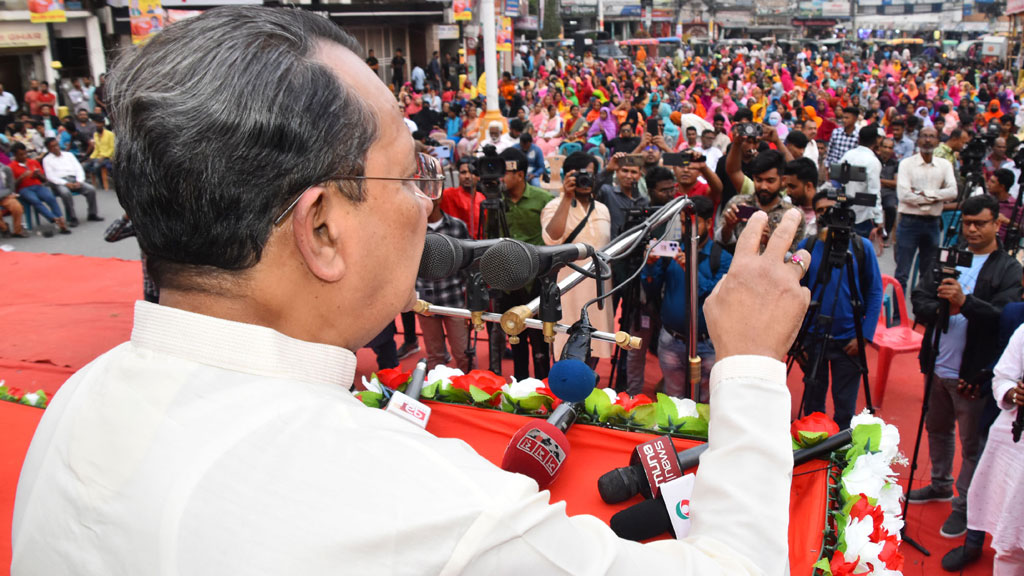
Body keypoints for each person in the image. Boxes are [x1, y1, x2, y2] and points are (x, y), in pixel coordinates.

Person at [13, 10, 810, 574]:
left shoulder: (80, 403)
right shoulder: (401, 500)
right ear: (321, 228)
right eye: (411, 172)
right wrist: (747, 364)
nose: (430, 202)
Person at [909, 194, 1023, 539]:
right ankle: (940, 483)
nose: (972, 230)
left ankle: (965, 507)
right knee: (937, 430)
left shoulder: (1008, 268)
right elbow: (919, 299)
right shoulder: (948, 256)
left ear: (996, 224)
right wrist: (945, 308)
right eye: (968, 223)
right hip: (936, 364)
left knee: (972, 445)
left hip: (972, 373)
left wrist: (964, 302)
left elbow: (1004, 321)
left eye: (980, 223)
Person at [796, 188, 883, 430]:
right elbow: (793, 290)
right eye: (821, 211)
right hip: (812, 338)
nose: (828, 216)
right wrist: (796, 340)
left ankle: (840, 455)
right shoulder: (808, 246)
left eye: (832, 210)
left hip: (849, 341)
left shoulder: (861, 247)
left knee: (845, 408)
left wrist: (863, 335)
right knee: (812, 406)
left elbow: (875, 293)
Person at [943, 322, 1024, 573]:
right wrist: (1013, 393)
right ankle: (975, 544)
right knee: (1010, 542)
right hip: (1015, 445)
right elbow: (1003, 377)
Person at [642, 195, 731, 402]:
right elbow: (651, 287)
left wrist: (690, 269)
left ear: (709, 223)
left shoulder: (723, 258)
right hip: (672, 338)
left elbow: (714, 295)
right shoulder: (673, 250)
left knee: (708, 399)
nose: (686, 228)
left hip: (707, 342)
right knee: (674, 397)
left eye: (692, 223)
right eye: (683, 223)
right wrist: (651, 264)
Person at [540, 152, 614, 362]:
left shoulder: (603, 209)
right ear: (568, 177)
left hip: (598, 294)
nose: (585, 180)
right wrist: (566, 197)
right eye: (580, 175)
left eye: (590, 175)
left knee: (596, 348)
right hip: (567, 293)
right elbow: (551, 240)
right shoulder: (553, 206)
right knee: (566, 353)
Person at [487, 147, 552, 380]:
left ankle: (545, 388)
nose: (500, 178)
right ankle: (520, 386)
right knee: (515, 338)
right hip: (506, 281)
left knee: (540, 343)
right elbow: (487, 238)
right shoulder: (494, 202)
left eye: (505, 173)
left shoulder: (543, 199)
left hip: (535, 281)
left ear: (521, 174)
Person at [894, 127, 958, 290]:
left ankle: (921, 313)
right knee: (902, 274)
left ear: (937, 141)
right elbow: (904, 195)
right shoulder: (906, 164)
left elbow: (952, 192)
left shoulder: (944, 165)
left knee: (928, 274)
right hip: (909, 223)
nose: (928, 140)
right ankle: (897, 315)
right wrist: (937, 197)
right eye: (924, 136)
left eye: (931, 137)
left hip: (933, 224)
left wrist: (925, 194)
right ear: (918, 140)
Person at [417, 195, 472, 372]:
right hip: (424, 299)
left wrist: (468, 290)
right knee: (434, 356)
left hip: (454, 297)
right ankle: (437, 393)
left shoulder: (457, 226)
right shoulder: (412, 228)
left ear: (439, 199)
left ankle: (470, 393)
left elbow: (469, 261)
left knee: (463, 353)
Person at [719, 147, 804, 252]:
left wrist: (769, 243)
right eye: (759, 180)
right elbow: (720, 243)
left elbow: (795, 257)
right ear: (753, 178)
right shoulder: (737, 203)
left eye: (770, 181)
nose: (764, 186)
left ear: (783, 180)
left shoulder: (793, 215)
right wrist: (728, 227)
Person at [9, 141, 71, 235]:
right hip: (24, 189)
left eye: (25, 153)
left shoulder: (33, 162)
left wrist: (38, 175)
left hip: (38, 186)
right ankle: (55, 219)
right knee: (35, 201)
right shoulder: (11, 167)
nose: (24, 156)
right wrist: (21, 177)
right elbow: (12, 186)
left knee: (50, 198)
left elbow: (44, 180)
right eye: (21, 155)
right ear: (15, 155)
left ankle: (60, 218)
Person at [41, 137, 102, 226]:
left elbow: (78, 168)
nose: (56, 147)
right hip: (60, 182)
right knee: (65, 193)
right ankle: (72, 217)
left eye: (56, 145)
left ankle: (92, 214)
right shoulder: (46, 160)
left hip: (74, 179)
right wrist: (66, 183)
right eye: (53, 146)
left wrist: (79, 181)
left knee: (91, 189)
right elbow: (50, 177)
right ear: (48, 149)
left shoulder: (68, 155)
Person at [837, 125, 884, 239]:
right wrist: (879, 219)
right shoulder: (872, 161)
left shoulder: (848, 155)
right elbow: (874, 192)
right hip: (862, 215)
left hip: (844, 210)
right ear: (876, 140)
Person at [440, 158, 485, 239]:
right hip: (455, 243)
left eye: (471, 172)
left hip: (479, 245)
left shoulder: (482, 198)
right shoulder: (448, 195)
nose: (467, 176)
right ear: (458, 176)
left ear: (478, 177)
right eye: (463, 172)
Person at [877, 136, 899, 241]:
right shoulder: (874, 160)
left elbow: (896, 183)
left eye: (890, 148)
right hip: (875, 191)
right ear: (880, 148)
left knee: (890, 207)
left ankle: (886, 233)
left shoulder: (895, 164)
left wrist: (880, 181)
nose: (887, 150)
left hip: (888, 193)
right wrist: (887, 182)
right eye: (885, 147)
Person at [84, 116, 115, 190]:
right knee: (86, 166)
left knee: (96, 166)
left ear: (103, 123)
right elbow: (96, 149)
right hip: (97, 156)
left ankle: (102, 184)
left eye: (99, 123)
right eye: (96, 123)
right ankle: (95, 181)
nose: (97, 125)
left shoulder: (110, 134)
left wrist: (104, 157)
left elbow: (112, 148)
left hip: (107, 156)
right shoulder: (95, 134)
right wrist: (91, 157)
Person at [0, 161, 27, 238]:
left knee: (17, 207)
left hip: (6, 196)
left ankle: (17, 231)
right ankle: (4, 228)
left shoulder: (6, 169)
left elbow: (11, 188)